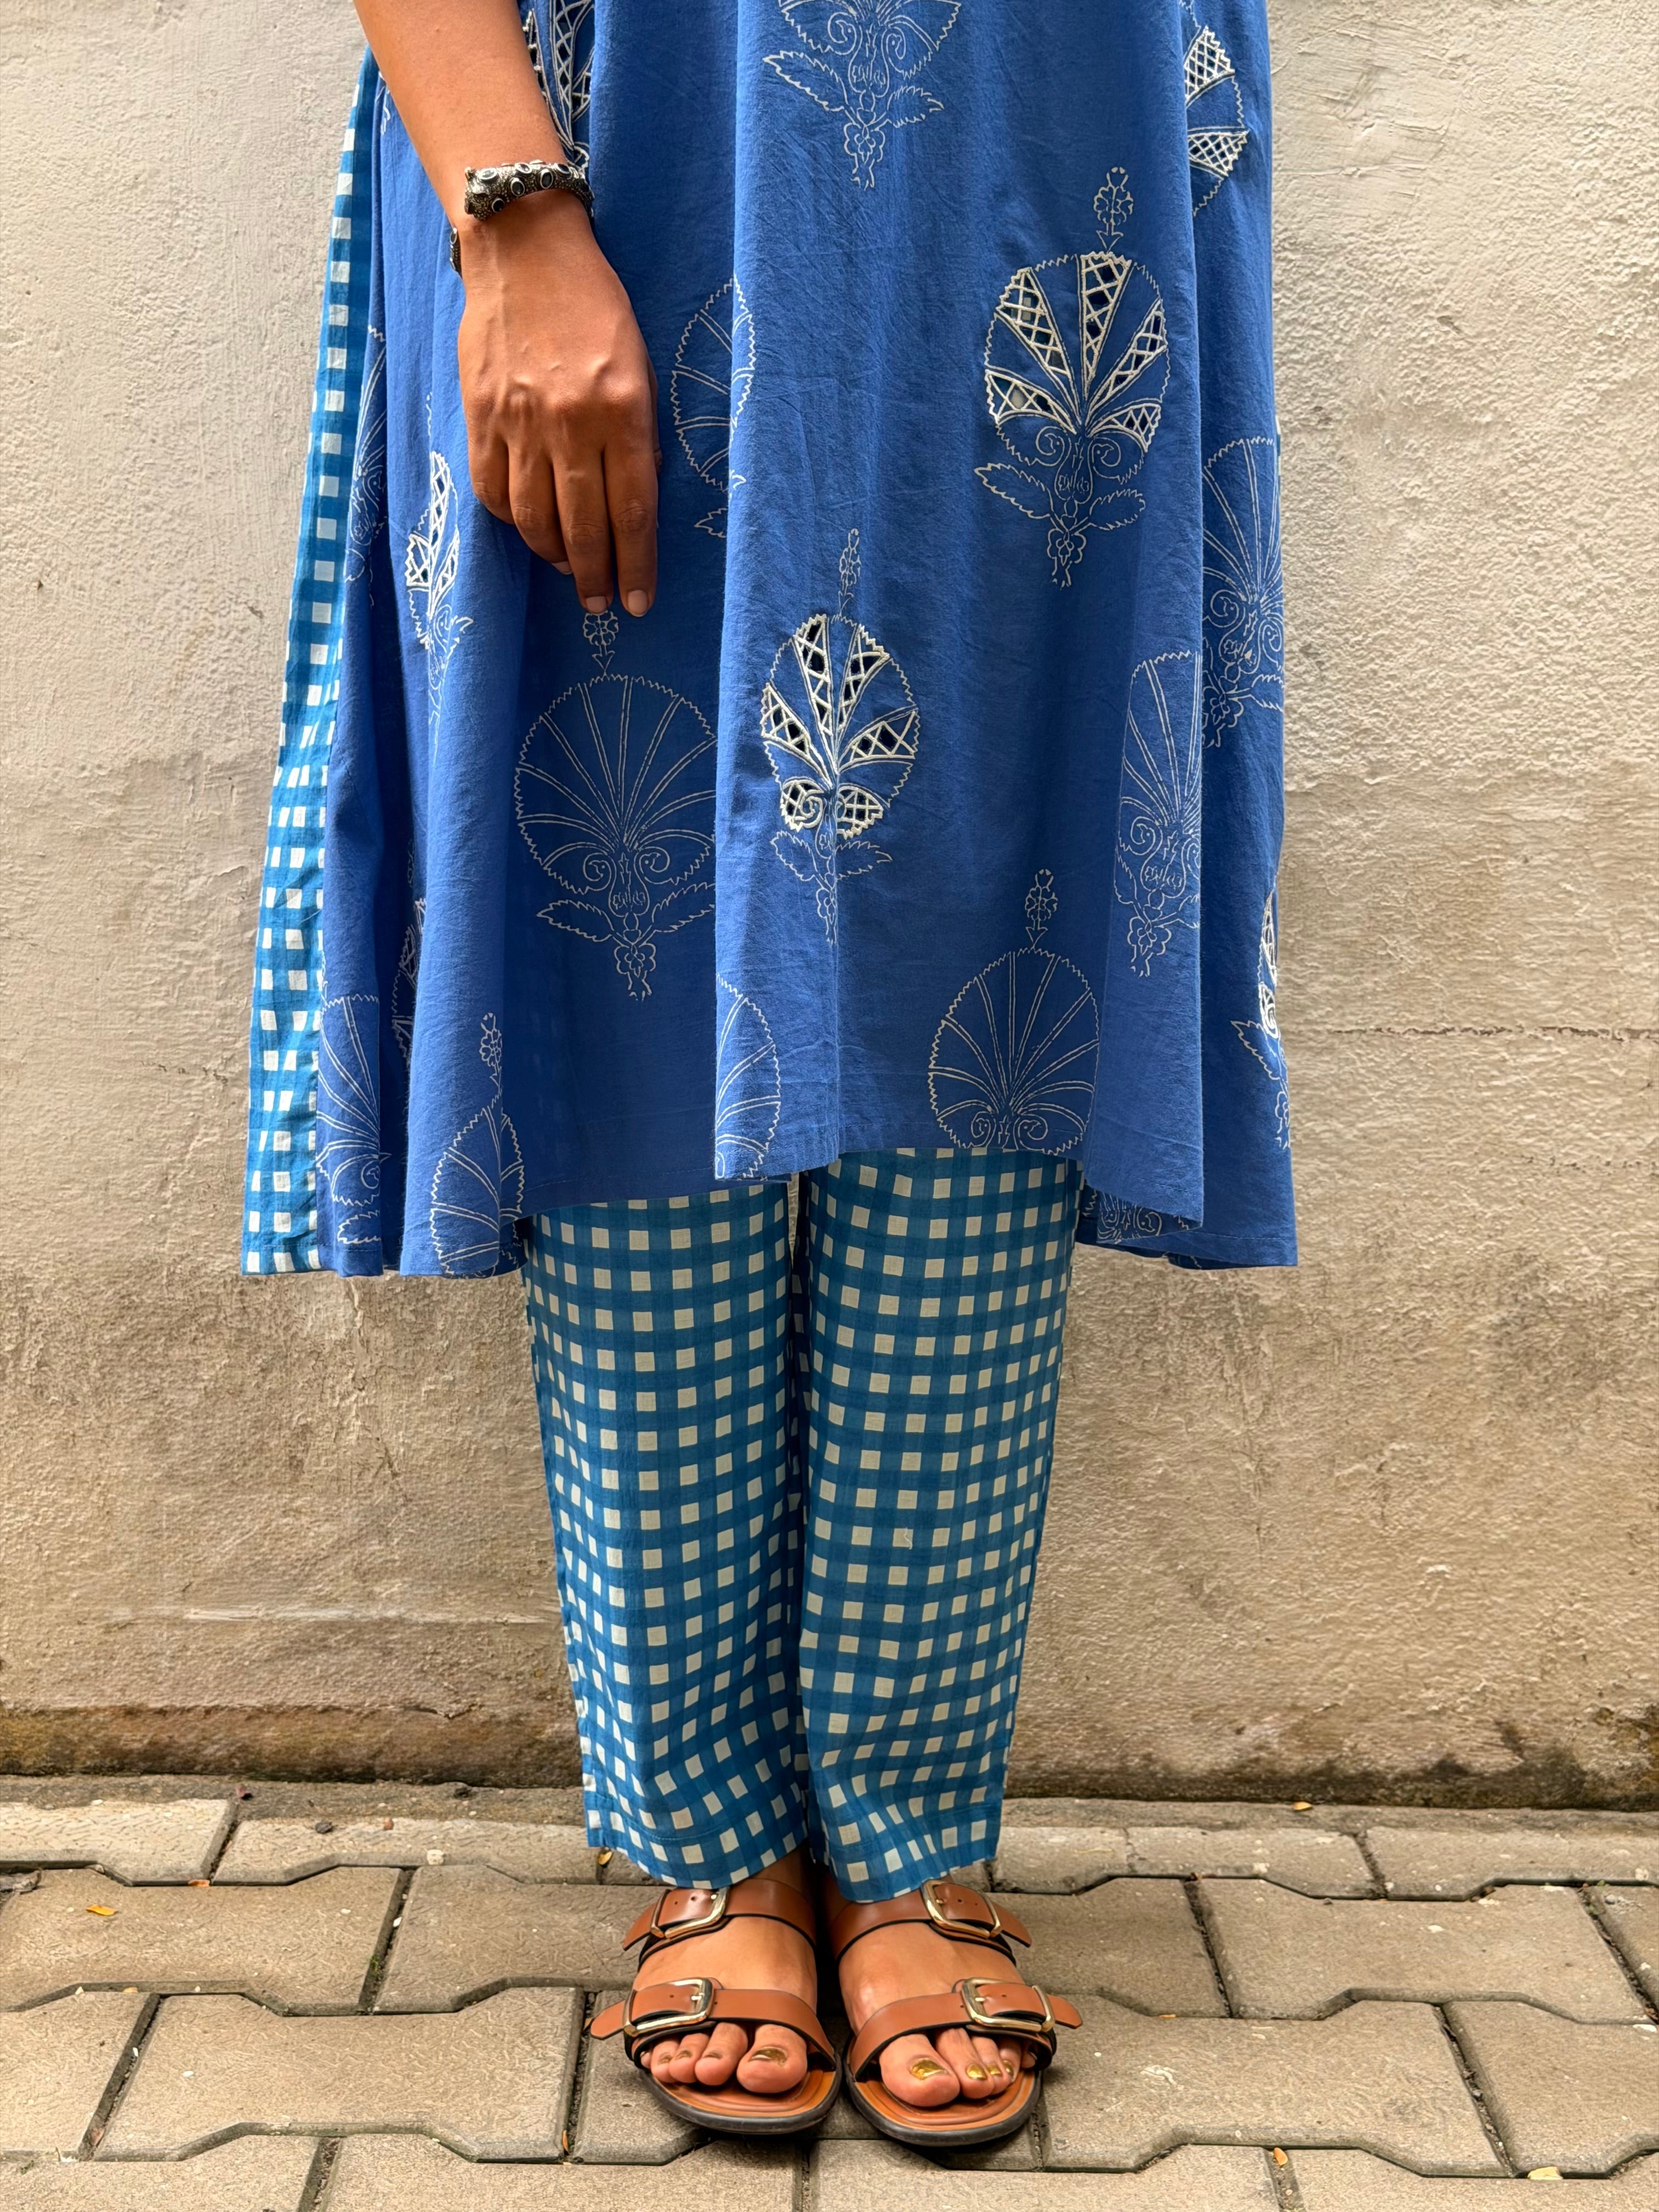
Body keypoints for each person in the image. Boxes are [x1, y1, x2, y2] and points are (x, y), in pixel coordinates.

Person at [241, 0, 1295, 2146]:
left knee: (992, 936)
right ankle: (708, 1832)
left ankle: (911, 1831)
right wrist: (512, 209)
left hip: (1053, 129)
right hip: (622, 142)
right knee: (630, 917)